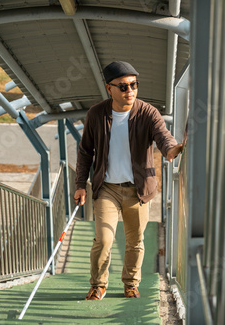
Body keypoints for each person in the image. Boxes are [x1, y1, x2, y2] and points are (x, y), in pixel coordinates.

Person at [74, 61, 183, 301]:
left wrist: (172, 149)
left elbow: (163, 136)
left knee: (135, 241)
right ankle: (98, 285)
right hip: (107, 190)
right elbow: (85, 152)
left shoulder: (147, 112)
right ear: (109, 88)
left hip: (138, 190)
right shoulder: (96, 114)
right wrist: (81, 184)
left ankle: (131, 284)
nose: (130, 90)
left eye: (134, 85)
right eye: (123, 86)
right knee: (103, 239)